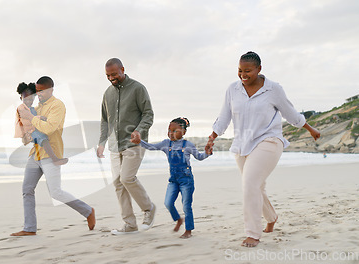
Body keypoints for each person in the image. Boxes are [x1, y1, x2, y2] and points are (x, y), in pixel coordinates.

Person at [205, 51, 321, 247]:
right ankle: (271, 216)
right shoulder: (232, 89)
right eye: (240, 70)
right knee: (256, 186)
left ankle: (253, 233)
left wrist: (310, 129)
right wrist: (212, 137)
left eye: (248, 71)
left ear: (259, 69)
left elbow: (290, 113)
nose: (243, 74)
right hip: (242, 144)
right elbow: (224, 116)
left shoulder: (273, 89)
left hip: (269, 141)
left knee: (249, 184)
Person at [11, 76, 96, 236]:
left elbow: (49, 128)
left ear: (51, 90)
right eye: (37, 91)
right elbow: (31, 131)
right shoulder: (35, 107)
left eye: (41, 91)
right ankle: (29, 228)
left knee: (56, 192)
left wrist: (32, 118)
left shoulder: (58, 106)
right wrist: (26, 134)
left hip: (51, 154)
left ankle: (88, 211)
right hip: (34, 154)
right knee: (27, 190)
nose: (39, 94)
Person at [97, 58, 156, 235]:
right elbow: (105, 121)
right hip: (115, 145)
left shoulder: (138, 88)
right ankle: (130, 224)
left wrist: (139, 130)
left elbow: (148, 114)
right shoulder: (107, 93)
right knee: (117, 182)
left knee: (127, 178)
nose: (111, 78)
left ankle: (148, 208)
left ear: (122, 69)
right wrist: (101, 143)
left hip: (134, 142)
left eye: (114, 74)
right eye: (108, 75)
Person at [131, 117, 212, 238]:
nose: (171, 133)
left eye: (175, 131)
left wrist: (207, 153)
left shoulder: (188, 145)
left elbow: (199, 157)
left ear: (184, 132)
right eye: (169, 130)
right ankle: (179, 219)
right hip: (173, 180)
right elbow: (151, 147)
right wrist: (140, 142)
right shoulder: (165, 144)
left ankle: (188, 230)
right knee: (168, 203)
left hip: (186, 180)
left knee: (186, 205)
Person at [14, 82, 68, 166]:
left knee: (44, 139)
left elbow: (32, 118)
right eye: (26, 99)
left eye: (30, 99)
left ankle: (54, 158)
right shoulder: (22, 108)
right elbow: (25, 121)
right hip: (30, 131)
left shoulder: (32, 108)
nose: (28, 101)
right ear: (21, 98)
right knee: (44, 139)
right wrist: (40, 118)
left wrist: (37, 118)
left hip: (32, 132)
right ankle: (55, 159)